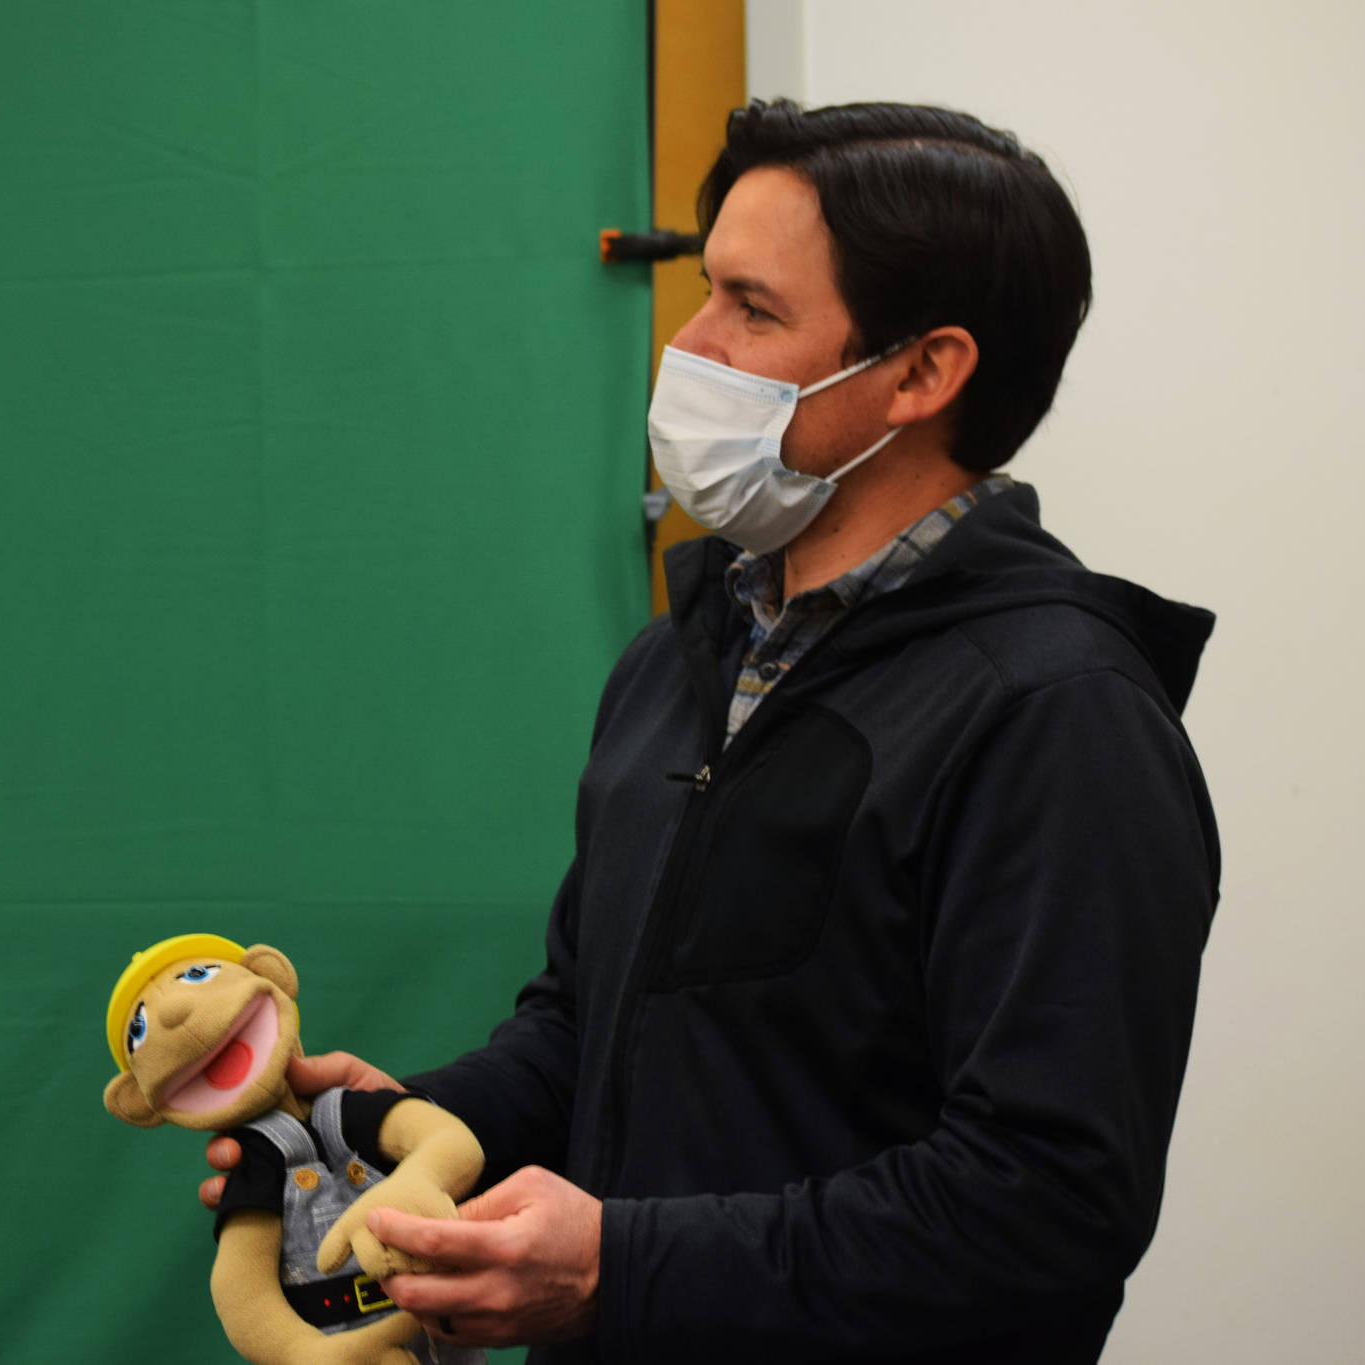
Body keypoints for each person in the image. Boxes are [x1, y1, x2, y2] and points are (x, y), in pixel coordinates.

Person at [202, 99, 1220, 1364]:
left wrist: (616, 1268)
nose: (682, 345)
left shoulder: (1057, 717)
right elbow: (590, 1032)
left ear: (918, 371)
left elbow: (1043, 1207)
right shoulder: (679, 663)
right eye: (701, 292)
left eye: (750, 308)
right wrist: (410, 1130)